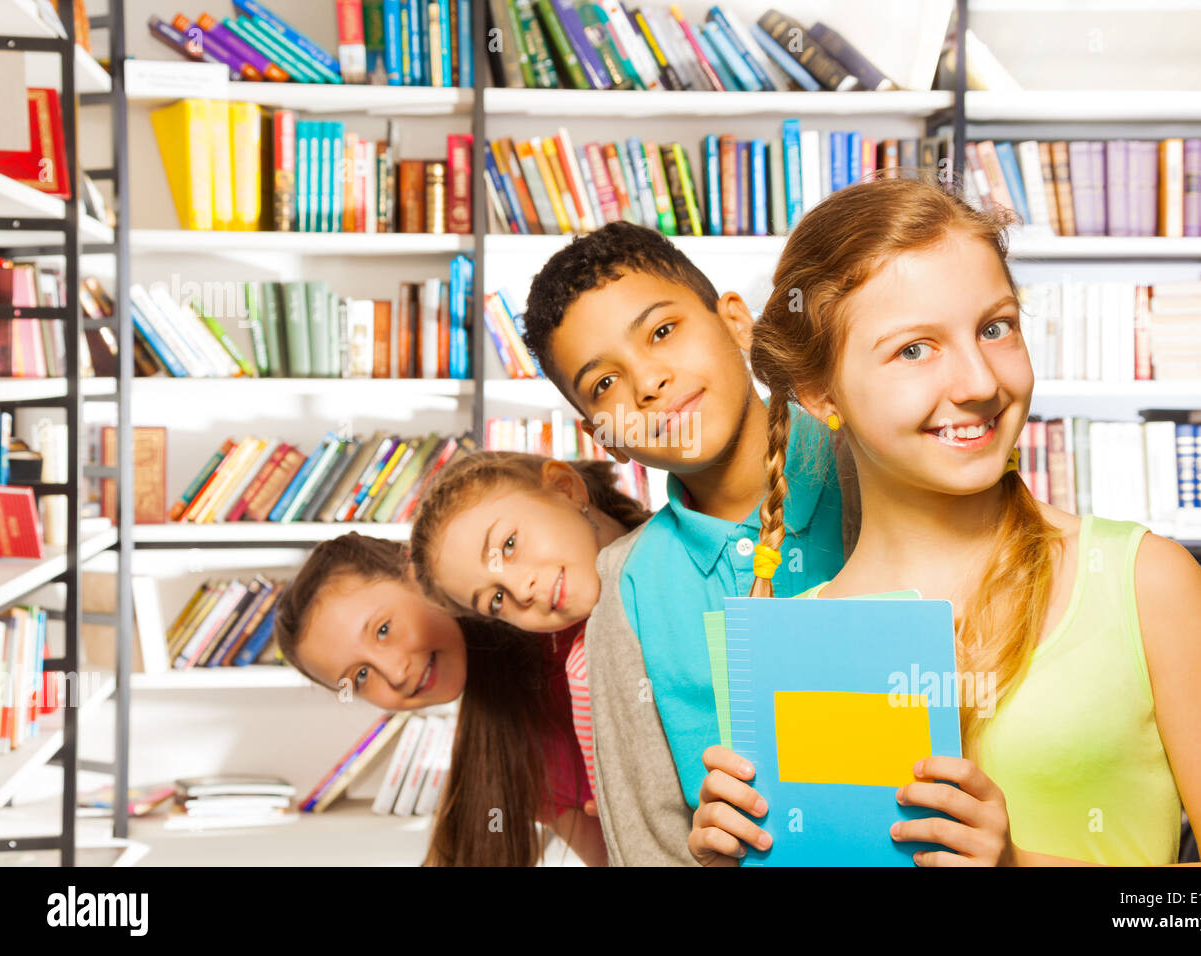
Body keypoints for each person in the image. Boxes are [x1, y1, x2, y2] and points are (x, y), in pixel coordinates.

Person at [688, 176, 1201, 866]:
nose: (979, 382)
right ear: (821, 393)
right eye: (914, 349)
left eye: (995, 327)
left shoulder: (1143, 583)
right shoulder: (795, 643)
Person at [520, 221, 854, 864]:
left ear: (735, 322)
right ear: (603, 437)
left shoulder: (877, 473)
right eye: (604, 384)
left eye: (662, 332)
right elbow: (645, 837)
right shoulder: (628, 587)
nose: (647, 383)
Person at [273, 531, 605, 866]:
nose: (396, 674)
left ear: (415, 571)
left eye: (383, 630)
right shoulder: (518, 759)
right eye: (360, 676)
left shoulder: (573, 616)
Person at [408, 451, 653, 802]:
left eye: (508, 545)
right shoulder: (584, 672)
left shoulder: (696, 546)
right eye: (495, 600)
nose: (521, 590)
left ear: (565, 488)